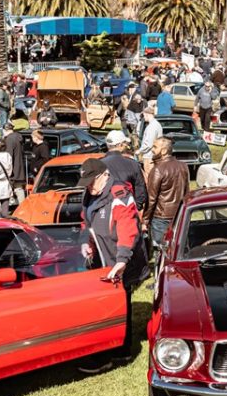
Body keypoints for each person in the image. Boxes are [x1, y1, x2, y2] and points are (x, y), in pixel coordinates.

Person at [77, 158, 149, 373]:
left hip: (121, 258)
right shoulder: (90, 193)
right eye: (86, 182)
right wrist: (85, 242)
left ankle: (114, 352)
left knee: (116, 304)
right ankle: (118, 350)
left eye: (92, 182)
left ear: (104, 176)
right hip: (103, 256)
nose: (89, 186)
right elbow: (86, 221)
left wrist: (122, 260)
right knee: (114, 304)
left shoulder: (120, 195)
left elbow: (128, 228)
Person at [144, 137, 189, 251]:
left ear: (164, 151)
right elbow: (187, 193)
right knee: (178, 249)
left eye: (155, 147)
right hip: (180, 214)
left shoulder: (158, 170)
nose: (152, 149)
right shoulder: (183, 166)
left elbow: (151, 199)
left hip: (161, 218)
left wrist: (145, 220)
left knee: (161, 252)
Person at [101, 130, 148, 212]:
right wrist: (135, 208)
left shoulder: (98, 164)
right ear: (120, 145)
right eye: (125, 143)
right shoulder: (132, 164)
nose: (126, 146)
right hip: (127, 211)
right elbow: (141, 192)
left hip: (104, 212)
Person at [2, 122, 27, 204]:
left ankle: (8, 208)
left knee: (12, 189)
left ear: (5, 130)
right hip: (19, 167)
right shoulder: (18, 137)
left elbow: (8, 156)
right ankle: (22, 207)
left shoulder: (9, 139)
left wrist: (6, 169)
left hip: (12, 169)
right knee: (19, 189)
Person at [136, 108, 163, 176]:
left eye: (144, 115)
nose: (144, 117)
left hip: (149, 156)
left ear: (147, 114)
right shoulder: (157, 124)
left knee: (149, 176)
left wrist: (140, 151)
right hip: (154, 155)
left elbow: (148, 144)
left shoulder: (152, 127)